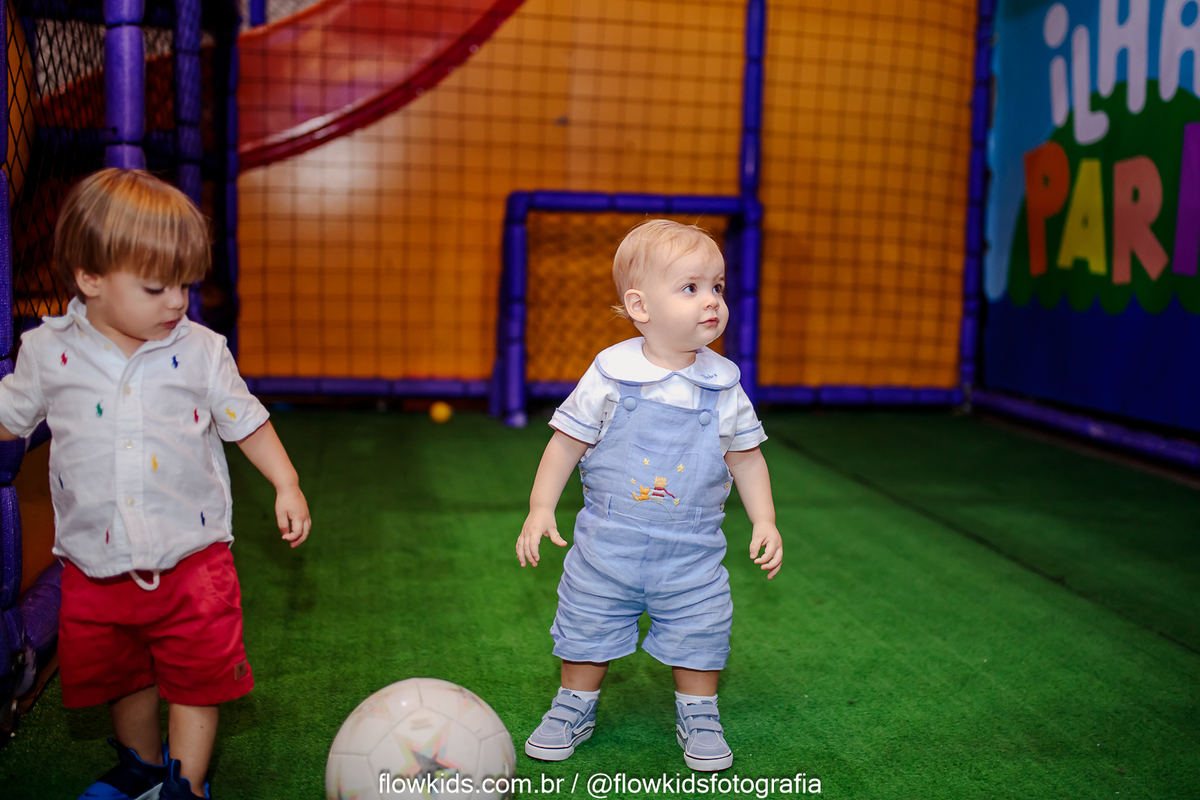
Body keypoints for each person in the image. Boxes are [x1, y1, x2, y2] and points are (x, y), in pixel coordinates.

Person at [0, 169, 311, 799]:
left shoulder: (200, 350)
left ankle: (184, 784)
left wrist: (286, 481)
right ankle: (141, 766)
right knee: (122, 675)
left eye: (185, 285)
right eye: (156, 287)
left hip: (192, 561)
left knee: (197, 677)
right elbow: (9, 418)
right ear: (91, 279)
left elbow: (245, 420)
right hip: (94, 565)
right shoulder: (48, 352)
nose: (177, 302)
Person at [515, 219, 782, 771]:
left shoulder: (724, 386)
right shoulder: (611, 375)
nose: (712, 301)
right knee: (587, 624)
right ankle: (573, 703)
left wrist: (765, 520)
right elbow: (565, 443)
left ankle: (699, 710)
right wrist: (541, 507)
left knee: (702, 628)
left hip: (692, 553)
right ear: (640, 306)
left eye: (718, 287)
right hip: (607, 546)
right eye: (691, 287)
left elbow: (747, 457)